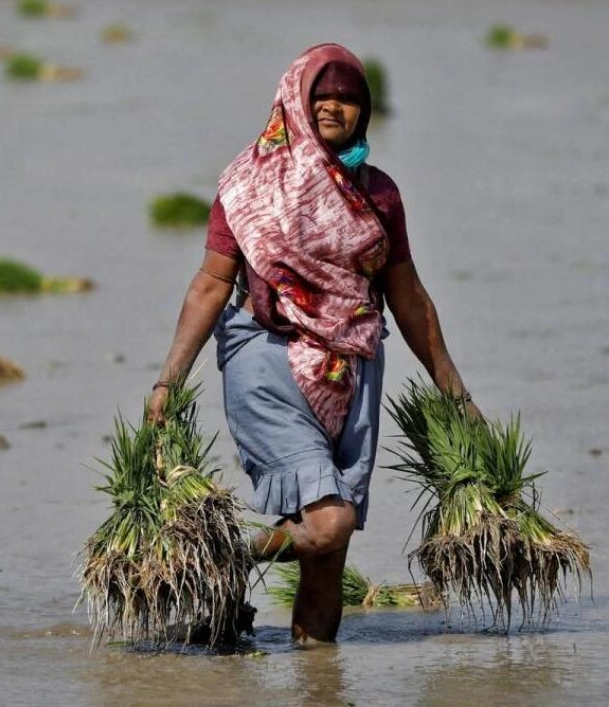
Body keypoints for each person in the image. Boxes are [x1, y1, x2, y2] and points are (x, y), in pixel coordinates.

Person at [148, 43, 478, 646]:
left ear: (366, 111)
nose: (334, 106)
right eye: (321, 95)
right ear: (294, 103)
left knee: (329, 554)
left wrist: (455, 393)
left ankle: (316, 675)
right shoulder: (249, 185)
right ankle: (225, 559)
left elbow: (408, 299)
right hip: (266, 360)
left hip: (351, 369)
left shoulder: (379, 194)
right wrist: (169, 378)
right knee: (330, 523)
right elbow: (211, 284)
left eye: (349, 98)